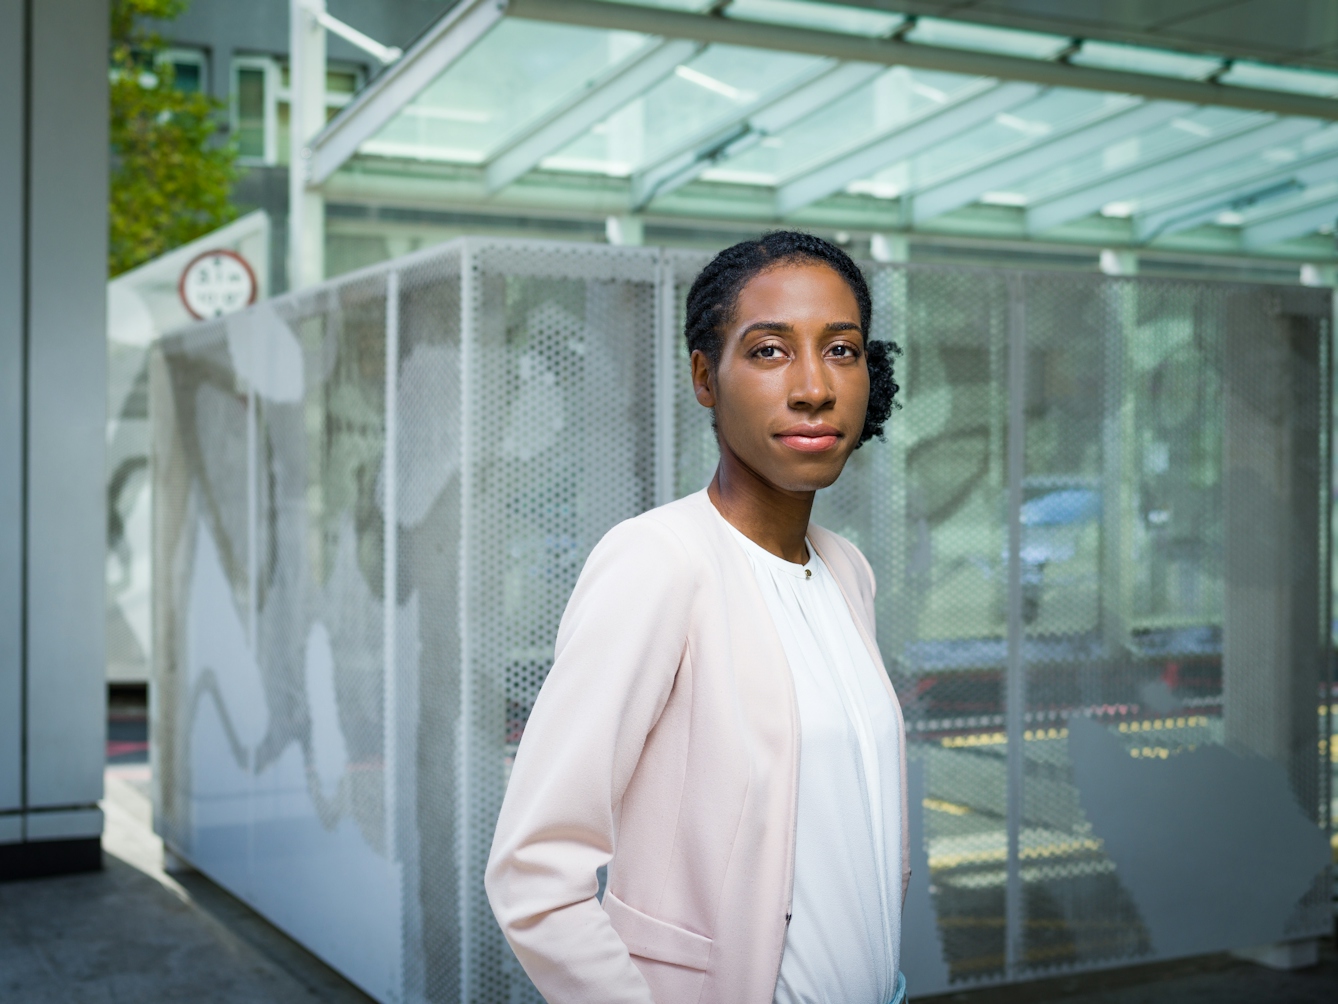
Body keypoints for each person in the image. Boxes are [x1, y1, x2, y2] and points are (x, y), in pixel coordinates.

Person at [486, 231, 905, 1004]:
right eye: (771, 351)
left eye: (841, 350)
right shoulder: (657, 563)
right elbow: (535, 874)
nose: (814, 386)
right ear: (705, 377)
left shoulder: (847, 570)